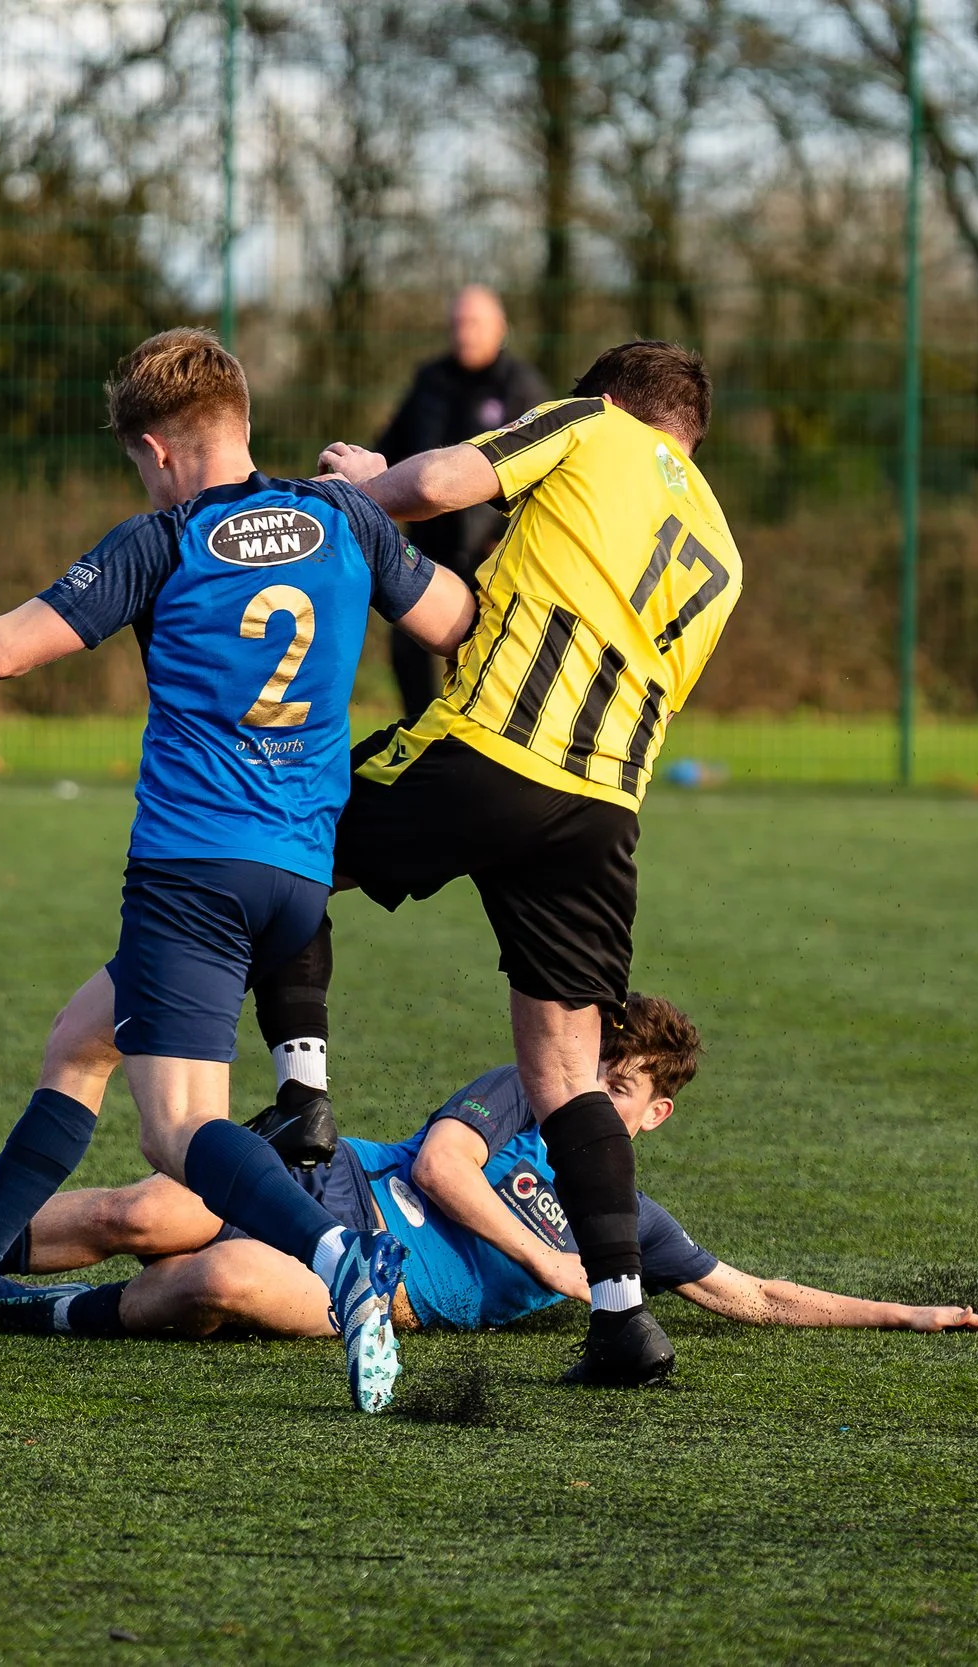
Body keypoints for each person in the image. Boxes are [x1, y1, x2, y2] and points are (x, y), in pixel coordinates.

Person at [0, 328, 479, 1413]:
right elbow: (456, 619)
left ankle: (339, 1257)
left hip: (192, 872)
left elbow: (2, 648)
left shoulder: (164, 540)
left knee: (178, 1130)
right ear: (241, 422)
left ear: (155, 449)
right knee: (80, 1041)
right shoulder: (347, 518)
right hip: (301, 876)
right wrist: (381, 506)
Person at [264, 340, 741, 1391]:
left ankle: (302, 1100)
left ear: (606, 396)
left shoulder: (590, 423)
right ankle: (621, 1318)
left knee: (279, 844)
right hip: (602, 807)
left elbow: (439, 482)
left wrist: (357, 489)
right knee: (565, 1073)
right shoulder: (721, 544)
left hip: (493, 751)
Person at [0, 997, 978, 1344]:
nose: (591, 1087)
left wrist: (911, 1312)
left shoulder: (634, 1216)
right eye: (594, 1065)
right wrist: (551, 1265)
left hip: (383, 1287)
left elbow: (753, 1293)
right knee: (149, 1203)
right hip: (338, 1182)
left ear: (656, 1111)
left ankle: (2, 1313)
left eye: (619, 1083)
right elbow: (452, 1168)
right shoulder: (522, 1087)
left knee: (225, 1281)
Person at [374, 285, 552, 720]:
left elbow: (541, 474)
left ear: (500, 328)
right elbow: (391, 448)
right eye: (457, 324)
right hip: (425, 545)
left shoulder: (522, 389)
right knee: (408, 645)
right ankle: (417, 726)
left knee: (488, 650)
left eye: (473, 323)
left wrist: (502, 535)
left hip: (491, 552)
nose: (464, 333)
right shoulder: (429, 382)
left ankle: (481, 729)